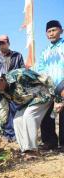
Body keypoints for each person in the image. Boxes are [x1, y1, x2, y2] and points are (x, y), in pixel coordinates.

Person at [0, 69, 55, 159]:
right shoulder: (1, 92)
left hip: (42, 96)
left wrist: (56, 97)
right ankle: (25, 150)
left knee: (29, 115)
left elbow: (46, 79)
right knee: (17, 120)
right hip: (28, 102)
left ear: (1, 80)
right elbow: (3, 112)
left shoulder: (19, 74)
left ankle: (32, 150)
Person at [0, 35, 25, 142]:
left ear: (8, 43)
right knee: (3, 111)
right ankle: (6, 134)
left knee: (15, 110)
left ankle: (15, 135)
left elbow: (22, 70)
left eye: (3, 43)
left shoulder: (17, 55)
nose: (1, 45)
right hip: (0, 88)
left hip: (14, 88)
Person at [38, 20, 64, 150]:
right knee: (47, 115)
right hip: (48, 87)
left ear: (61, 31)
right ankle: (49, 142)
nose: (51, 33)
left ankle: (63, 145)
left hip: (63, 86)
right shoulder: (44, 52)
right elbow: (41, 69)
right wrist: (44, 85)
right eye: (49, 31)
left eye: (54, 30)